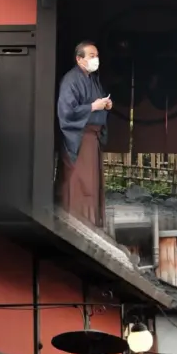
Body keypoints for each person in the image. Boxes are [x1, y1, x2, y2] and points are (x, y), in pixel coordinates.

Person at [57, 41, 112, 227]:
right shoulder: (71, 80)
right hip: (80, 138)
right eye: (91, 56)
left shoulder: (93, 79)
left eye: (96, 56)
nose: (96, 59)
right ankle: (76, 223)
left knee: (92, 184)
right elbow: (66, 111)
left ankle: (92, 222)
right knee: (80, 183)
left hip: (92, 138)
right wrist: (92, 107)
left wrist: (105, 105)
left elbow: (98, 103)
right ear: (79, 59)